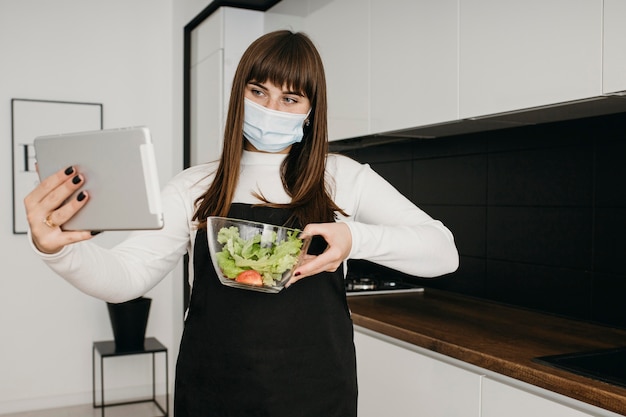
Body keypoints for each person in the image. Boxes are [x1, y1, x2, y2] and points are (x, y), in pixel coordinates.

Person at [25, 30, 459, 417]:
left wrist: (354, 237)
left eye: (290, 99)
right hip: (213, 385)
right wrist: (60, 250)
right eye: (259, 91)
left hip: (315, 388)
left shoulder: (342, 177)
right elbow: (128, 277)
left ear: (310, 110)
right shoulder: (193, 185)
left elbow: (442, 251)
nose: (272, 108)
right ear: (239, 95)